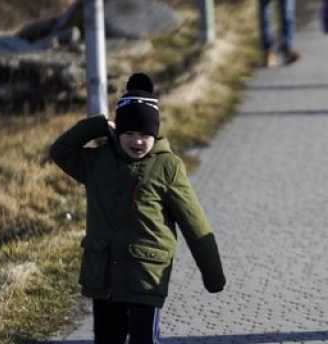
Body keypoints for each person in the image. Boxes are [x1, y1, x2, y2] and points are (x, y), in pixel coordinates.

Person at [49, 73, 225, 342]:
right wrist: (97, 125)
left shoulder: (167, 167)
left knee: (144, 339)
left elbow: (194, 222)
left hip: (146, 276)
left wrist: (212, 274)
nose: (137, 141)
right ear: (117, 132)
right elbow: (60, 151)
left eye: (144, 134)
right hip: (104, 274)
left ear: (155, 133)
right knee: (108, 338)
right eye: (129, 133)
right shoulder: (97, 162)